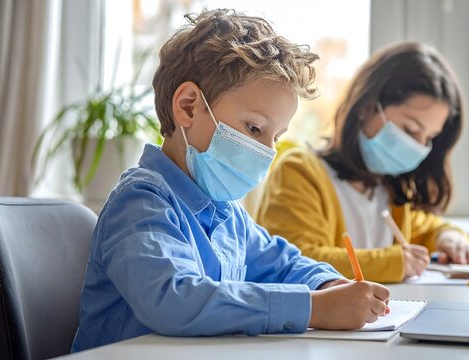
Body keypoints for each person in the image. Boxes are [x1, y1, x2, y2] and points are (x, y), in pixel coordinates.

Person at [71, 9, 390, 352]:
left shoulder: (226, 212)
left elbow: (280, 262)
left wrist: (328, 284)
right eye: (254, 128)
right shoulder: (140, 202)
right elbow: (174, 298)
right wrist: (314, 308)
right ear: (189, 107)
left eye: (276, 137)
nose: (267, 152)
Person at [256, 42, 469, 284]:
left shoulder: (387, 186)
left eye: (428, 138)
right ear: (367, 108)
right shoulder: (300, 171)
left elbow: (426, 227)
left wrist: (448, 236)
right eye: (410, 129)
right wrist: (392, 262)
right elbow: (294, 260)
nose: (418, 146)